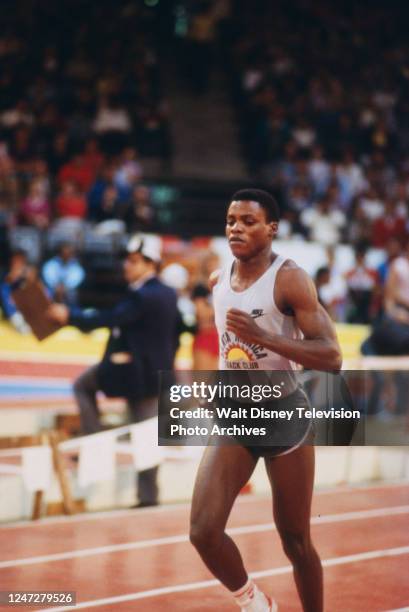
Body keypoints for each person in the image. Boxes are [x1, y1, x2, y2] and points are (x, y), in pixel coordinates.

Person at [189, 189, 342, 612]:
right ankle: (256, 604)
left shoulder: (289, 278)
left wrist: (265, 337)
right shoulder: (218, 281)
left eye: (248, 221)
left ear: (271, 229)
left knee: (295, 540)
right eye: (231, 220)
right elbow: (227, 350)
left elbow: (332, 356)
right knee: (203, 530)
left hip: (283, 418)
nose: (236, 227)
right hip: (235, 415)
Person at [47, 235, 181, 507]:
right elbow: (176, 334)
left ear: (151, 263)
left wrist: (69, 316)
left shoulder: (144, 295)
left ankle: (96, 445)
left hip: (137, 374)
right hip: (145, 372)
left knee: (142, 434)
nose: (126, 267)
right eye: (127, 261)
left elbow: (110, 318)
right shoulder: (166, 294)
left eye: (133, 261)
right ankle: (145, 494)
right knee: (144, 435)